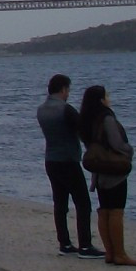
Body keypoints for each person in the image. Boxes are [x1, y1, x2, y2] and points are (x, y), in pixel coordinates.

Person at [37, 75, 99, 257]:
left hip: (51, 159)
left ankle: (64, 243)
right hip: (68, 160)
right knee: (82, 203)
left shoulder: (41, 110)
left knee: (60, 203)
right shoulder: (65, 109)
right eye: (68, 90)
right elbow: (83, 130)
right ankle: (85, 245)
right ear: (64, 89)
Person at [80, 85, 136, 265]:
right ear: (101, 99)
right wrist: (129, 151)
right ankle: (119, 253)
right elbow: (117, 143)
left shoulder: (86, 119)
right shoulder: (107, 118)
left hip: (99, 172)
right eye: (107, 95)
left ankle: (109, 252)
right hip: (114, 171)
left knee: (104, 210)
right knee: (116, 211)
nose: (109, 98)